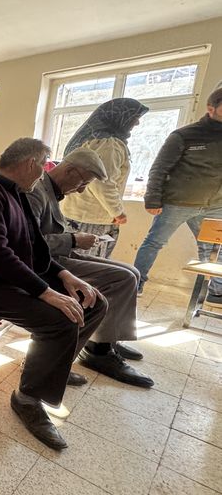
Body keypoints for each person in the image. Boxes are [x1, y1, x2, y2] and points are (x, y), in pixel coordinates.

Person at [0, 138, 107, 450]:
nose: (44, 174)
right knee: (60, 320)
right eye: (43, 166)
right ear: (30, 163)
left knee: (92, 303)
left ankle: (54, 366)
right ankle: (27, 399)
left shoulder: (15, 193)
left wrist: (63, 275)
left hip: (6, 281)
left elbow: (33, 249)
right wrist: (45, 292)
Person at [27, 148, 154, 387]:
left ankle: (107, 339)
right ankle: (98, 351)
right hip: (46, 262)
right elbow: (29, 242)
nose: (82, 190)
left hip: (60, 254)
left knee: (133, 273)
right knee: (122, 279)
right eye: (83, 182)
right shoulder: (36, 191)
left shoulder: (51, 191)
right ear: (69, 170)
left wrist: (73, 238)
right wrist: (73, 240)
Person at [134, 88, 222, 299]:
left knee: (213, 248)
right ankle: (134, 285)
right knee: (154, 243)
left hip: (215, 205)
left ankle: (215, 291)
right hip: (177, 203)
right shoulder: (184, 135)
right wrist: (152, 199)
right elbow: (159, 168)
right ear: (211, 108)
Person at [60, 98, 149, 258]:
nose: (137, 123)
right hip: (91, 217)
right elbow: (102, 183)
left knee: (75, 262)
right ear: (119, 117)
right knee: (88, 264)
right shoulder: (108, 144)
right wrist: (117, 212)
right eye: (134, 118)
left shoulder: (93, 139)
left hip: (79, 213)